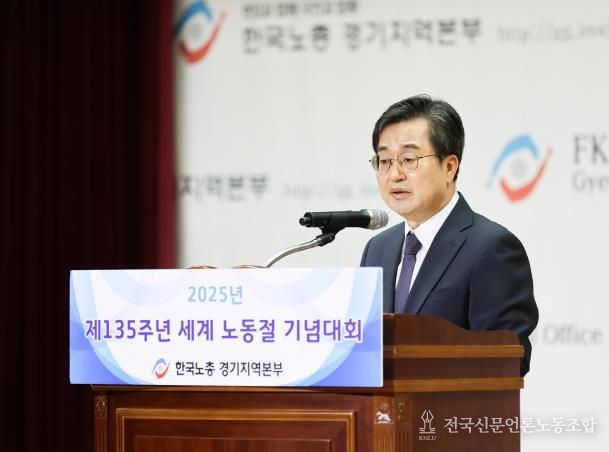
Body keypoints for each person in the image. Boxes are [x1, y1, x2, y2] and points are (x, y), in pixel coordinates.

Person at [360, 94, 539, 376]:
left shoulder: (490, 247)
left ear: (449, 166)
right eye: (384, 161)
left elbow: (506, 363)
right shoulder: (378, 248)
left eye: (408, 159)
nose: (394, 174)